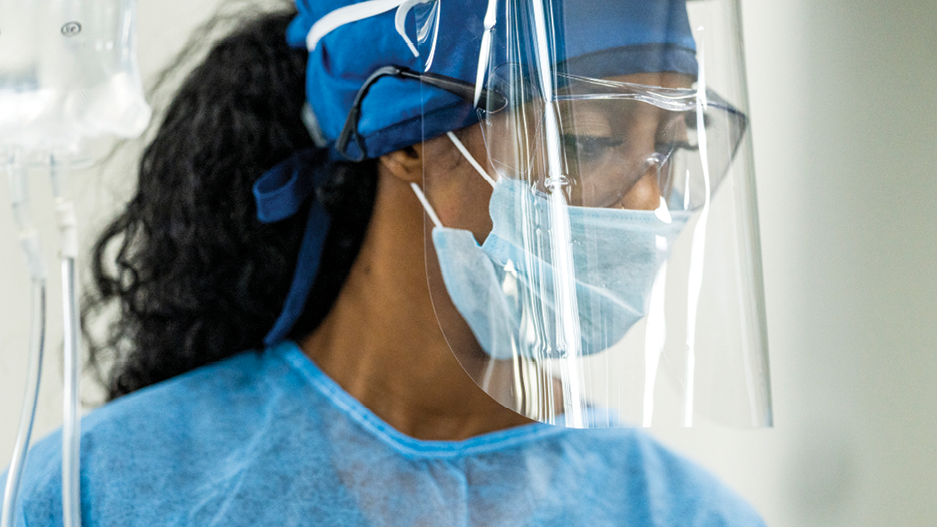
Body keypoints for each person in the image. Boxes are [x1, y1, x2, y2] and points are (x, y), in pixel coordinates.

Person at [1, 1, 767, 525]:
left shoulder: (681, 512)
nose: (647, 206)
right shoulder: (107, 488)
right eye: (585, 142)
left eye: (671, 150)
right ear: (402, 135)